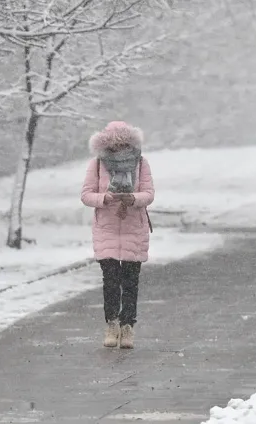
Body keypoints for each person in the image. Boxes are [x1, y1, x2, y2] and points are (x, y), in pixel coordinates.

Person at [80, 120, 154, 349]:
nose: (119, 148)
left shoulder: (141, 164)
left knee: (131, 281)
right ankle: (111, 323)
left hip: (134, 227)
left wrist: (134, 198)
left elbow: (149, 193)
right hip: (107, 228)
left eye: (124, 143)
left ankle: (128, 326)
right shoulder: (97, 165)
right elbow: (85, 195)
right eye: (115, 144)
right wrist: (104, 199)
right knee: (111, 280)